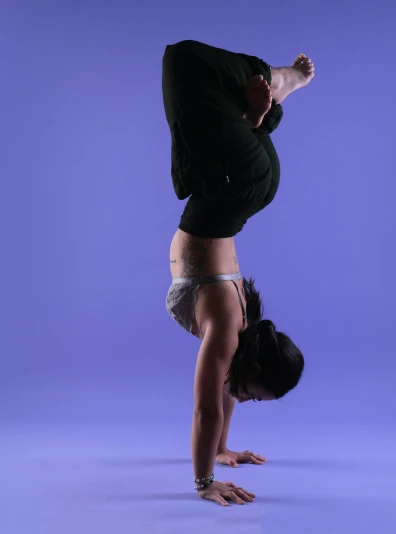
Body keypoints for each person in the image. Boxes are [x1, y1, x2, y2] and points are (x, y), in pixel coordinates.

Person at [162, 40, 315, 506]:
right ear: (251, 365)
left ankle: (258, 118)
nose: (243, 400)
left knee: (203, 143)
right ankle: (278, 85)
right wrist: (204, 483)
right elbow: (206, 410)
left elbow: (226, 396)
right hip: (231, 194)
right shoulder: (229, 327)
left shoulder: (240, 331)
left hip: (250, 188)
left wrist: (225, 447)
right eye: (253, 393)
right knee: (183, 62)